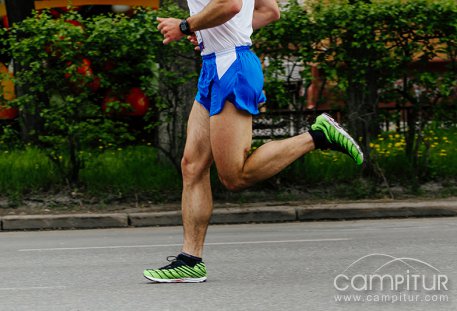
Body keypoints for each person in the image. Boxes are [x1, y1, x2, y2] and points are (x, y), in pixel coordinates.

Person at [143, 0, 364, 283]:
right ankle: (190, 260)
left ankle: (318, 136)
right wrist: (207, 32)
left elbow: (231, 5)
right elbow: (269, 11)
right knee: (192, 166)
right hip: (215, 63)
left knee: (235, 176)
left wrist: (186, 26)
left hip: (231, 65)